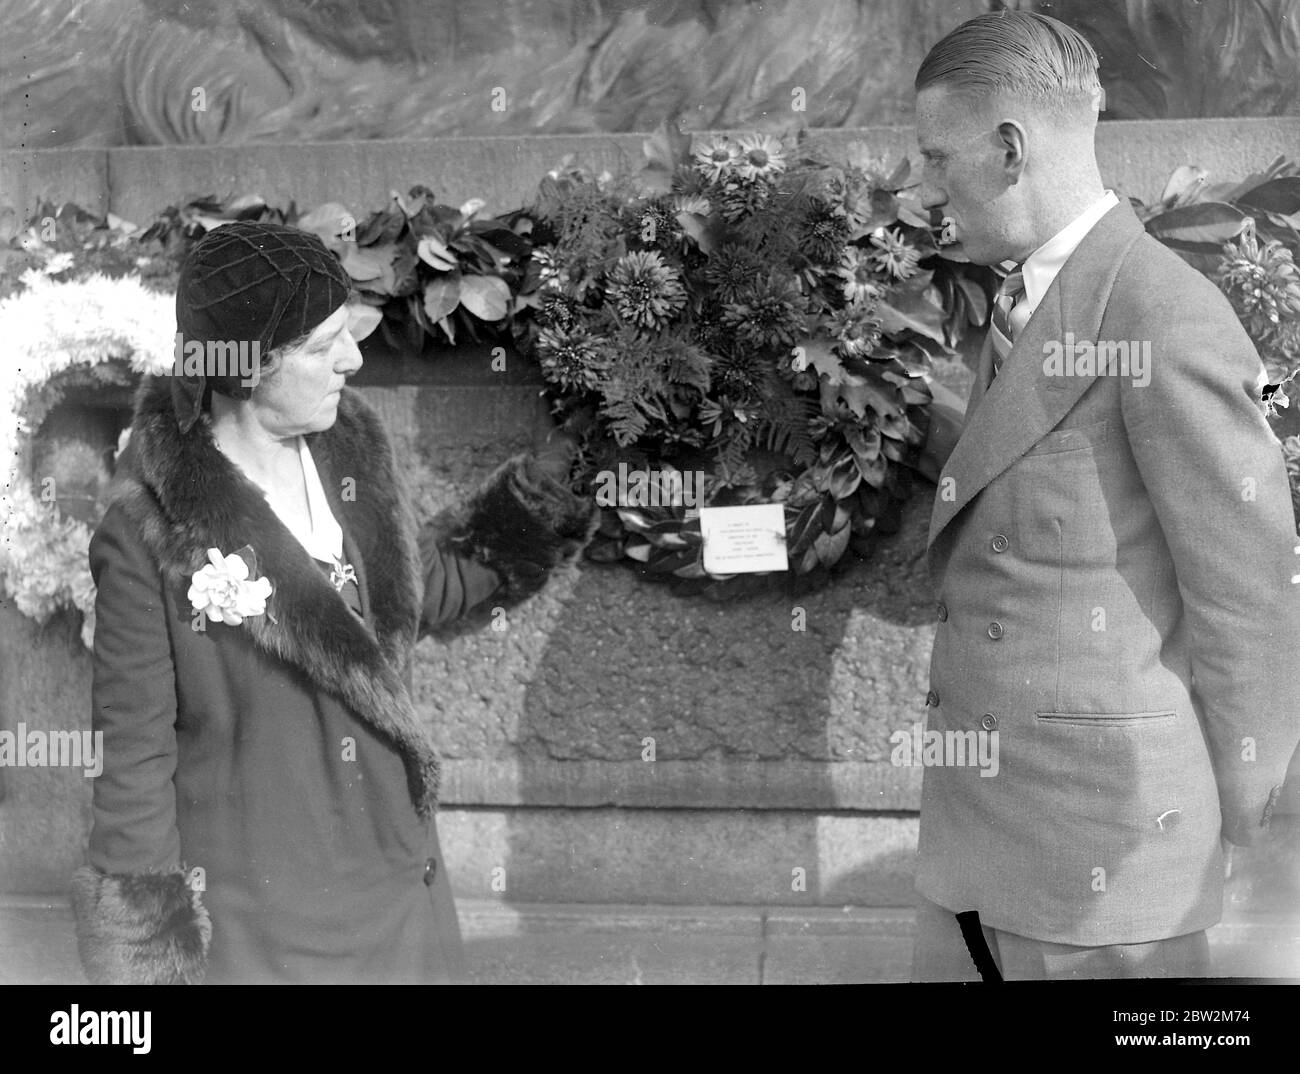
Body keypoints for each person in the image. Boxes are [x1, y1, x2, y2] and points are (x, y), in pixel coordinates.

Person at [72, 221, 594, 984]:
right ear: (245, 368)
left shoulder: (347, 444)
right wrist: (147, 968)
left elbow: (417, 591)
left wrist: (559, 484)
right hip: (272, 943)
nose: (351, 359)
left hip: (405, 909)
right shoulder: (144, 533)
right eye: (321, 347)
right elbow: (134, 763)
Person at [908, 10, 1300, 980]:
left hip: (1106, 862)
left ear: (1008, 149)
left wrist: (1220, 821)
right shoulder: (1023, 301)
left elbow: (1249, 593)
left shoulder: (1160, 313)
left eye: (936, 157)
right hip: (975, 845)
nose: (927, 188)